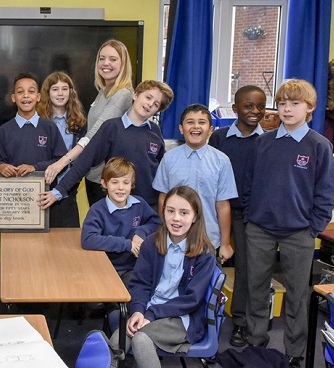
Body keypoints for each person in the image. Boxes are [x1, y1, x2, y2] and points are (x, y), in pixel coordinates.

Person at [242, 79, 334, 367]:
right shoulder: (263, 142)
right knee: (256, 289)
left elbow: (326, 192)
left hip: (299, 233)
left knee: (297, 296)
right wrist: (250, 215)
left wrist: (314, 227)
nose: (287, 109)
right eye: (282, 103)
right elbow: (248, 183)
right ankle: (255, 342)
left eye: (295, 103)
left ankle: (294, 353)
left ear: (309, 108)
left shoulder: (319, 145)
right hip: (259, 229)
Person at [108, 185, 215, 368]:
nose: (176, 218)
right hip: (150, 310)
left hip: (183, 317)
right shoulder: (151, 244)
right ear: (163, 212)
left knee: (141, 339)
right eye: (170, 211)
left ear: (195, 216)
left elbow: (192, 299)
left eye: (184, 213)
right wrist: (139, 311)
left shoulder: (204, 253)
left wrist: (151, 314)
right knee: (117, 340)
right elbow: (140, 284)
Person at [40, 80, 174, 211]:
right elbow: (84, 162)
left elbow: (163, 171)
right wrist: (58, 192)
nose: (150, 104)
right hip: (119, 207)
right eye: (148, 97)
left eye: (156, 104)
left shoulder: (155, 131)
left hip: (148, 208)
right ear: (136, 94)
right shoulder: (111, 127)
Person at [207, 85, 266, 348]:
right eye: (249, 106)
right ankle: (200, 316)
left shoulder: (268, 141)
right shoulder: (219, 138)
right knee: (207, 265)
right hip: (216, 211)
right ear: (235, 108)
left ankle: (240, 323)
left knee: (245, 271)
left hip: (248, 216)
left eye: (260, 107)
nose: (255, 111)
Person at [44, 39, 134, 205]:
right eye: (102, 58)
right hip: (94, 176)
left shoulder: (123, 94)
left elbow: (95, 133)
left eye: (113, 59)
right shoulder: (103, 92)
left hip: (111, 180)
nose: (106, 63)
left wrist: (61, 163)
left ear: (123, 64)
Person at [152, 104, 236, 263]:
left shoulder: (222, 161)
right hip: (174, 238)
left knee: (205, 286)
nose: (196, 126)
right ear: (181, 128)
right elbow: (163, 199)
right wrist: (163, 232)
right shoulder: (169, 158)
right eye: (190, 122)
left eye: (202, 122)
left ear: (210, 129)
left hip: (208, 239)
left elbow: (223, 205)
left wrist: (225, 243)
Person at [0, 72, 69, 227]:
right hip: (13, 201)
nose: (26, 96)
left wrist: (35, 168)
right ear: (13, 98)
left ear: (38, 97)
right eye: (20, 92)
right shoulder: (4, 130)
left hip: (44, 200)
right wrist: (1, 166)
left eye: (31, 91)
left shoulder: (49, 127)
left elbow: (61, 161)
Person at [81, 158, 161, 287]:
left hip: (133, 267)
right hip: (105, 268)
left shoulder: (139, 204)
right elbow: (88, 239)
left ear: (132, 184)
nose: (121, 188)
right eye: (114, 182)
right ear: (104, 184)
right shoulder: (97, 210)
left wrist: (140, 232)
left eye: (126, 182)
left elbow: (156, 222)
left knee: (140, 292)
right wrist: (127, 245)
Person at [37, 71, 87, 227]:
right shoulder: (37, 121)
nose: (60, 93)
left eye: (64, 89)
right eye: (55, 89)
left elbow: (82, 160)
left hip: (68, 194)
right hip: (41, 193)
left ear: (71, 92)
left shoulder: (81, 123)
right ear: (47, 93)